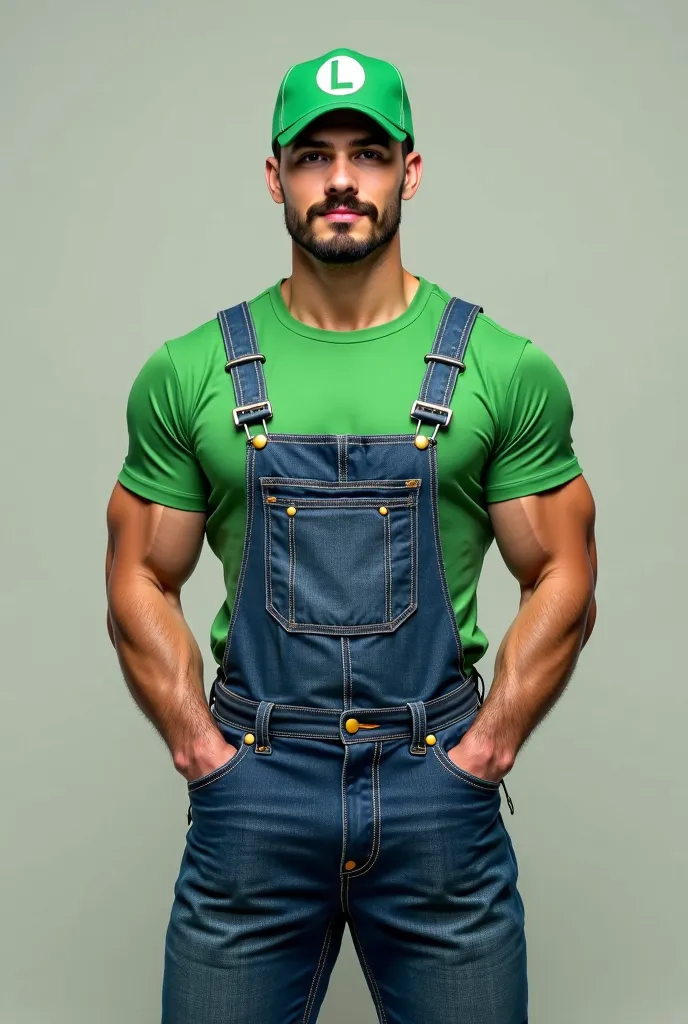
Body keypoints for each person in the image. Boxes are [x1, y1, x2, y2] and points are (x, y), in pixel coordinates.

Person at [106, 46, 597, 1024]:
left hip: (435, 796)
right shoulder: (191, 371)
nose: (340, 179)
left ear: (408, 171)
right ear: (274, 176)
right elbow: (136, 580)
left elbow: (562, 573)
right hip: (255, 791)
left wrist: (488, 749)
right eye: (312, 154)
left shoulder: (502, 368)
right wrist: (202, 751)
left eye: (367, 153)